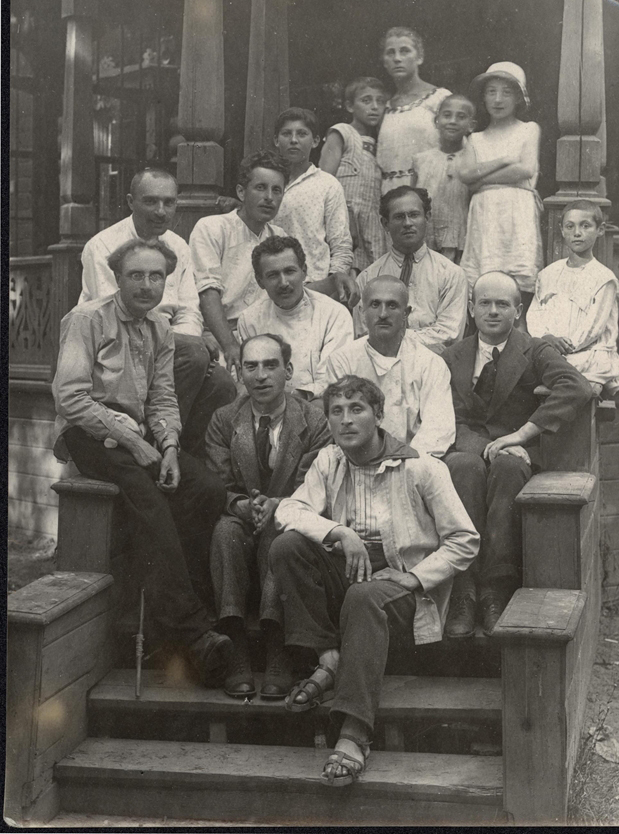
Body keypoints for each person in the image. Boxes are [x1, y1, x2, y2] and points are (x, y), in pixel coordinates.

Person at [269, 375, 478, 786]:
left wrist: (413, 579)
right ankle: (330, 658)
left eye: (357, 409)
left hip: (402, 595)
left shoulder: (422, 468)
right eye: (336, 412)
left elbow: (465, 541)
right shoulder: (329, 461)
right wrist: (340, 534)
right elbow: (289, 510)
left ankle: (353, 733)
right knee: (287, 546)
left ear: (379, 416)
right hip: (350, 582)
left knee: (365, 596)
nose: (346, 421)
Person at [53, 238, 233, 686]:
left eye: (156, 276)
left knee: (205, 488)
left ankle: (167, 621)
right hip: (90, 433)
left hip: (142, 436)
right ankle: (193, 631)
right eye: (137, 275)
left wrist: (169, 446)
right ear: (117, 278)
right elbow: (71, 399)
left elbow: (163, 399)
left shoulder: (160, 329)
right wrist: (134, 445)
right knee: (147, 497)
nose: (147, 285)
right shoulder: (86, 319)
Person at [442, 271, 593, 637]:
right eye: (485, 303)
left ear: (518, 309)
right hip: (466, 446)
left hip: (517, 453)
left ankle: (496, 587)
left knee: (509, 469)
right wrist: (481, 448)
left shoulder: (535, 348)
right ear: (470, 309)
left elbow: (577, 387)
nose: (493, 311)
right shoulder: (452, 355)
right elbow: (447, 414)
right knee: (462, 468)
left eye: (503, 304)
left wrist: (523, 435)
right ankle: (464, 588)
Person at [205, 334, 332, 700]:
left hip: (293, 513)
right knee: (225, 532)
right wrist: (243, 506)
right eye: (251, 366)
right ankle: (237, 647)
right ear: (240, 372)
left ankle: (278, 648)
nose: (261, 376)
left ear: (288, 371)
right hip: (241, 515)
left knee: (278, 537)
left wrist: (278, 505)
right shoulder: (225, 420)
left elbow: (315, 483)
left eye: (270, 365)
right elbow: (218, 483)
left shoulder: (314, 421)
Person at [79, 168, 236, 454]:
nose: (161, 211)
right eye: (151, 201)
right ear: (130, 202)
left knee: (222, 384)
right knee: (194, 352)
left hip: (166, 346)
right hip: (115, 350)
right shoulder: (102, 247)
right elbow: (118, 315)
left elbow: (189, 311)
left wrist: (178, 341)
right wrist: (182, 344)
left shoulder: (178, 246)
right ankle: (151, 444)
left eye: (169, 202)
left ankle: (181, 453)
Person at [325, 276, 455, 459]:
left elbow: (438, 428)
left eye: (392, 305)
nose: (383, 314)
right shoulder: (342, 360)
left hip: (414, 462)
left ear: (406, 313)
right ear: (362, 311)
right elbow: (341, 424)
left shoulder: (429, 363)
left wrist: (405, 462)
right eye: (375, 305)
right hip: (359, 460)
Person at [189, 150, 289, 379]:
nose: (269, 197)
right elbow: (208, 293)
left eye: (277, 190)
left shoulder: (279, 236)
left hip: (265, 334)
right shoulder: (213, 228)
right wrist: (230, 345)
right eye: (260, 187)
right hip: (218, 334)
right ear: (241, 192)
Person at [458, 62, 543, 318]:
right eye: (491, 91)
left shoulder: (528, 130)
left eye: (506, 92)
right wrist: (505, 162)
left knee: (516, 280)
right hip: (486, 214)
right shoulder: (475, 139)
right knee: (486, 280)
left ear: (519, 97)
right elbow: (466, 177)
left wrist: (482, 179)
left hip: (517, 212)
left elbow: (526, 169)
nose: (498, 99)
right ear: (483, 97)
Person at [238, 236, 354, 404]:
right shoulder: (250, 319)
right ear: (260, 281)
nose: (284, 283)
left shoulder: (334, 314)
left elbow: (334, 377)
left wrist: (297, 397)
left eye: (290, 271)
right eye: (273, 275)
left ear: (304, 271)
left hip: (319, 402)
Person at [526, 200, 619, 397]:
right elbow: (535, 313)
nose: (577, 233)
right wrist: (546, 338)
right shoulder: (548, 274)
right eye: (570, 226)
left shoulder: (604, 278)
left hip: (586, 353)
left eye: (585, 226)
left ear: (600, 229)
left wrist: (566, 346)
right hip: (550, 349)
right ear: (562, 230)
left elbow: (593, 328)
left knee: (567, 373)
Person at [354, 187, 468, 353]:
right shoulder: (367, 278)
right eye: (399, 217)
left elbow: (449, 335)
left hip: (433, 367)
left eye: (414, 215)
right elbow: (363, 335)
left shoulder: (451, 274)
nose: (407, 223)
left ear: (427, 217)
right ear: (385, 224)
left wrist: (389, 338)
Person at [272, 107, 358, 307]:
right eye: (286, 134)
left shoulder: (327, 184)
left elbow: (341, 243)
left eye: (302, 134)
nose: (294, 140)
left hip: (314, 286)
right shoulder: (268, 184)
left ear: (316, 141)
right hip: (272, 284)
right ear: (276, 140)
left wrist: (331, 283)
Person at [319, 77, 389, 273]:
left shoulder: (381, 143)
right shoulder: (342, 132)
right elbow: (324, 180)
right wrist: (345, 216)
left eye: (380, 101)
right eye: (366, 101)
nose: (374, 107)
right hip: (345, 216)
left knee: (374, 271)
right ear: (350, 105)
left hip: (372, 221)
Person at [376, 26, 452, 193]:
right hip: (391, 195)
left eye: (404, 51)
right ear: (384, 62)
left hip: (434, 188)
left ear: (419, 57)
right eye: (390, 53)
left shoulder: (439, 98)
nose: (397, 58)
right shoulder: (384, 108)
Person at [411, 94, 475, 263]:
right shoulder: (421, 160)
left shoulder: (473, 161)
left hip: (460, 240)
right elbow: (414, 201)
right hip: (427, 238)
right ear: (436, 121)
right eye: (447, 115)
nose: (453, 121)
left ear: (471, 125)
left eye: (461, 117)